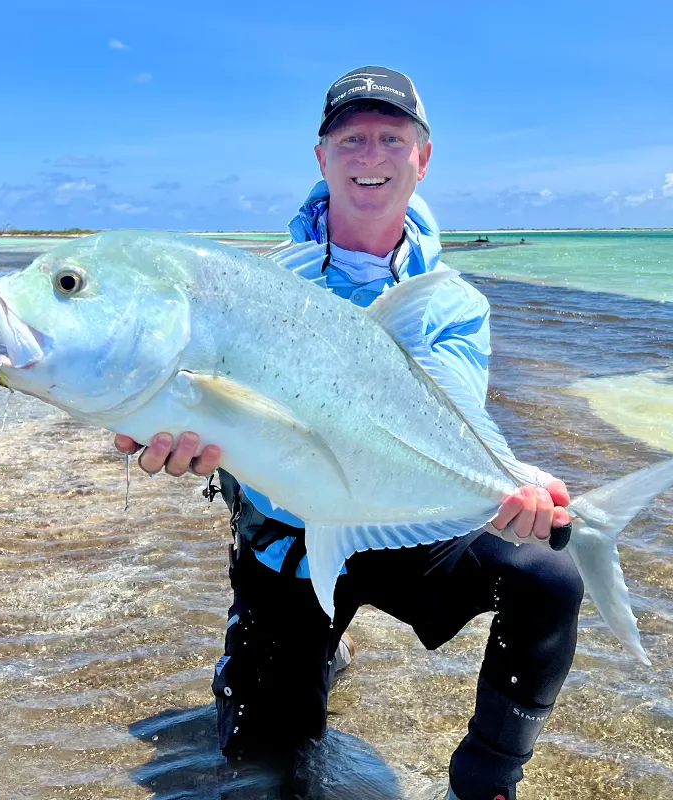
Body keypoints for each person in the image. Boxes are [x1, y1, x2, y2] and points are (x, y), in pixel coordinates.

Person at [116, 66, 582, 800]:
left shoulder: (450, 302)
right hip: (289, 543)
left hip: (406, 527)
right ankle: (310, 651)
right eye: (352, 139)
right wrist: (164, 425)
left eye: (391, 138)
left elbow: (447, 408)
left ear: (422, 156)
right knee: (266, 772)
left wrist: (501, 478)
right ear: (321, 157)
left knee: (548, 573)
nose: (371, 157)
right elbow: (211, 400)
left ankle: (488, 778)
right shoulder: (260, 286)